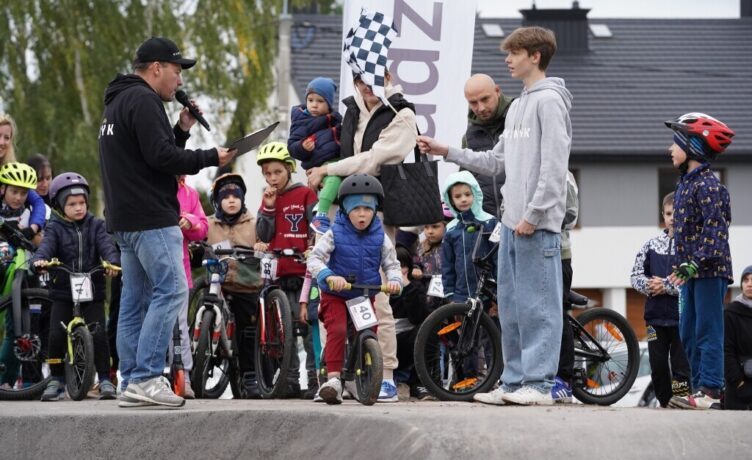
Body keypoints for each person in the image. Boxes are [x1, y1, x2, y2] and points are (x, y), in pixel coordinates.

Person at [417, 26, 572, 406]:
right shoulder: (518, 105)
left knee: (540, 306)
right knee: (513, 308)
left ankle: (539, 384)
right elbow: (494, 161)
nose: (508, 59)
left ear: (535, 56)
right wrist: (446, 150)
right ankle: (516, 382)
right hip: (510, 226)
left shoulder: (550, 102)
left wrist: (534, 215)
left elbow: (554, 168)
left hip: (536, 226)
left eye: (514, 52)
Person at [98, 36, 236, 408]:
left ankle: (131, 379)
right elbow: (161, 158)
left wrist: (184, 128)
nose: (179, 81)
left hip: (124, 218)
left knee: (135, 299)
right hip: (149, 217)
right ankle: (146, 377)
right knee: (173, 291)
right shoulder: (143, 100)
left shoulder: (118, 101)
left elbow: (150, 155)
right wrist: (211, 156)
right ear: (156, 68)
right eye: (176, 71)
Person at [306, 70, 417, 402]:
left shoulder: (402, 113)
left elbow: (373, 160)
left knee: (378, 297)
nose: (369, 89)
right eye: (362, 82)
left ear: (389, 77)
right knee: (335, 311)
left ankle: (385, 375)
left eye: (376, 81)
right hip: (342, 209)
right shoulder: (351, 108)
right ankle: (335, 375)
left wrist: (328, 169)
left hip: (377, 210)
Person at [307, 174, 402, 404]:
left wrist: (395, 280)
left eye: (367, 209)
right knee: (338, 330)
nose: (362, 214)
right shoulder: (334, 233)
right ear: (346, 209)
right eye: (356, 208)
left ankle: (368, 379)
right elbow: (315, 259)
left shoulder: (380, 236)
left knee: (367, 332)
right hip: (336, 294)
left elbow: (391, 263)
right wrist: (328, 276)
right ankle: (333, 381)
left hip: (363, 293)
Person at [665, 113, 735, 410]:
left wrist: (694, 262)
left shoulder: (707, 184)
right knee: (689, 331)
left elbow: (716, 230)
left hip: (709, 271)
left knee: (708, 329)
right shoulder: (685, 184)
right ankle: (697, 388)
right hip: (691, 273)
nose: (670, 148)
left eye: (675, 143)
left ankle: (711, 390)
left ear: (692, 147)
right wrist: (683, 263)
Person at [32, 172, 120, 401]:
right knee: (55, 336)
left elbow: (107, 246)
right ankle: (56, 378)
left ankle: (105, 379)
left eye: (82, 203)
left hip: (93, 289)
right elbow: (46, 248)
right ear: (61, 206)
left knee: (99, 334)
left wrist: (112, 262)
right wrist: (40, 260)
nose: (79, 208)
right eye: (72, 204)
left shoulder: (96, 225)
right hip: (62, 290)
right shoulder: (55, 227)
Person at [255, 142, 318, 398]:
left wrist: (313, 245)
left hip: (304, 272)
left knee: (309, 325)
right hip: (279, 274)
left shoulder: (304, 193)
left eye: (277, 172)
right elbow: (263, 234)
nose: (272, 178)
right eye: (268, 174)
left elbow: (316, 224)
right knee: (285, 331)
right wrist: (268, 208)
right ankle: (290, 380)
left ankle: (315, 379)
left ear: (289, 169)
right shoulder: (268, 197)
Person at [630, 192, 691, 408]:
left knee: (681, 365)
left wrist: (665, 285)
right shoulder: (651, 245)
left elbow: (692, 281)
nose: (672, 217)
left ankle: (681, 401)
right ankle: (664, 403)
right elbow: (635, 275)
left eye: (677, 213)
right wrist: (650, 286)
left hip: (682, 318)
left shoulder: (690, 247)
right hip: (655, 318)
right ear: (663, 215)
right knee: (657, 365)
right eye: (668, 213)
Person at [205, 173, 262, 397]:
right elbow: (197, 238)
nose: (231, 200)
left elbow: (264, 240)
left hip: (245, 284)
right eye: (225, 196)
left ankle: (249, 375)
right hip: (217, 286)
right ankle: (203, 359)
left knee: (248, 329)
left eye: (236, 196)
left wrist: (261, 246)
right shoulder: (209, 224)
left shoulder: (254, 223)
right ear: (217, 201)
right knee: (205, 313)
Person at [0, 162, 45, 387]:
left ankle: (6, 379)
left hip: (19, 274)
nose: (18, 197)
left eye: (23, 193)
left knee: (15, 328)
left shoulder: (28, 212)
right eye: (13, 191)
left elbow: (39, 209)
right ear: (3, 190)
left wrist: (33, 229)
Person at [287, 77, 342, 234]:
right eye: (310, 100)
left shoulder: (336, 120)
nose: (314, 105)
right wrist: (303, 147)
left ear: (329, 104)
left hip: (338, 161)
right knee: (333, 180)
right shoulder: (301, 120)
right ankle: (321, 215)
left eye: (320, 101)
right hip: (319, 165)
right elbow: (292, 147)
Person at [461, 74, 514, 217]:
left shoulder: (520, 120)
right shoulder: (469, 136)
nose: (481, 108)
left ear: (497, 91)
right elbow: (464, 183)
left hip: (523, 222)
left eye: (485, 99)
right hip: (484, 226)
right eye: (473, 103)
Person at [440, 171, 497, 305]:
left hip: (489, 295)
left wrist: (499, 293)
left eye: (467, 194)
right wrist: (450, 295)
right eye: (458, 196)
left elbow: (499, 259)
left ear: (475, 194)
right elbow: (447, 264)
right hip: (461, 296)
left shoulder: (490, 222)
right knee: (466, 327)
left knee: (492, 325)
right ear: (451, 200)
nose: (463, 199)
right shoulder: (451, 229)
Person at [176, 175, 208, 399]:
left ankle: (183, 376)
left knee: (180, 326)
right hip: (153, 271)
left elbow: (202, 227)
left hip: (181, 270)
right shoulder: (151, 184)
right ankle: (150, 375)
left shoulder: (190, 193)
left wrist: (189, 220)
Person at [392, 245, 433, 401]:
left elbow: (418, 317)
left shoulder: (415, 287)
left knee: (427, 331)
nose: (399, 271)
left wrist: (407, 287)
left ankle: (418, 383)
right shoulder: (378, 287)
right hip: (382, 342)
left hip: (405, 342)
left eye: (402, 266)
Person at [552, 171, 579, 403]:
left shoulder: (564, 174)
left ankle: (565, 378)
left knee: (558, 314)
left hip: (559, 254)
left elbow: (570, 215)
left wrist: (535, 217)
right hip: (531, 255)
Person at [723, 265, 752, 410]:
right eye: (746, 280)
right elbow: (727, 351)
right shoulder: (731, 312)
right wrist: (739, 384)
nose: (749, 284)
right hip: (737, 388)